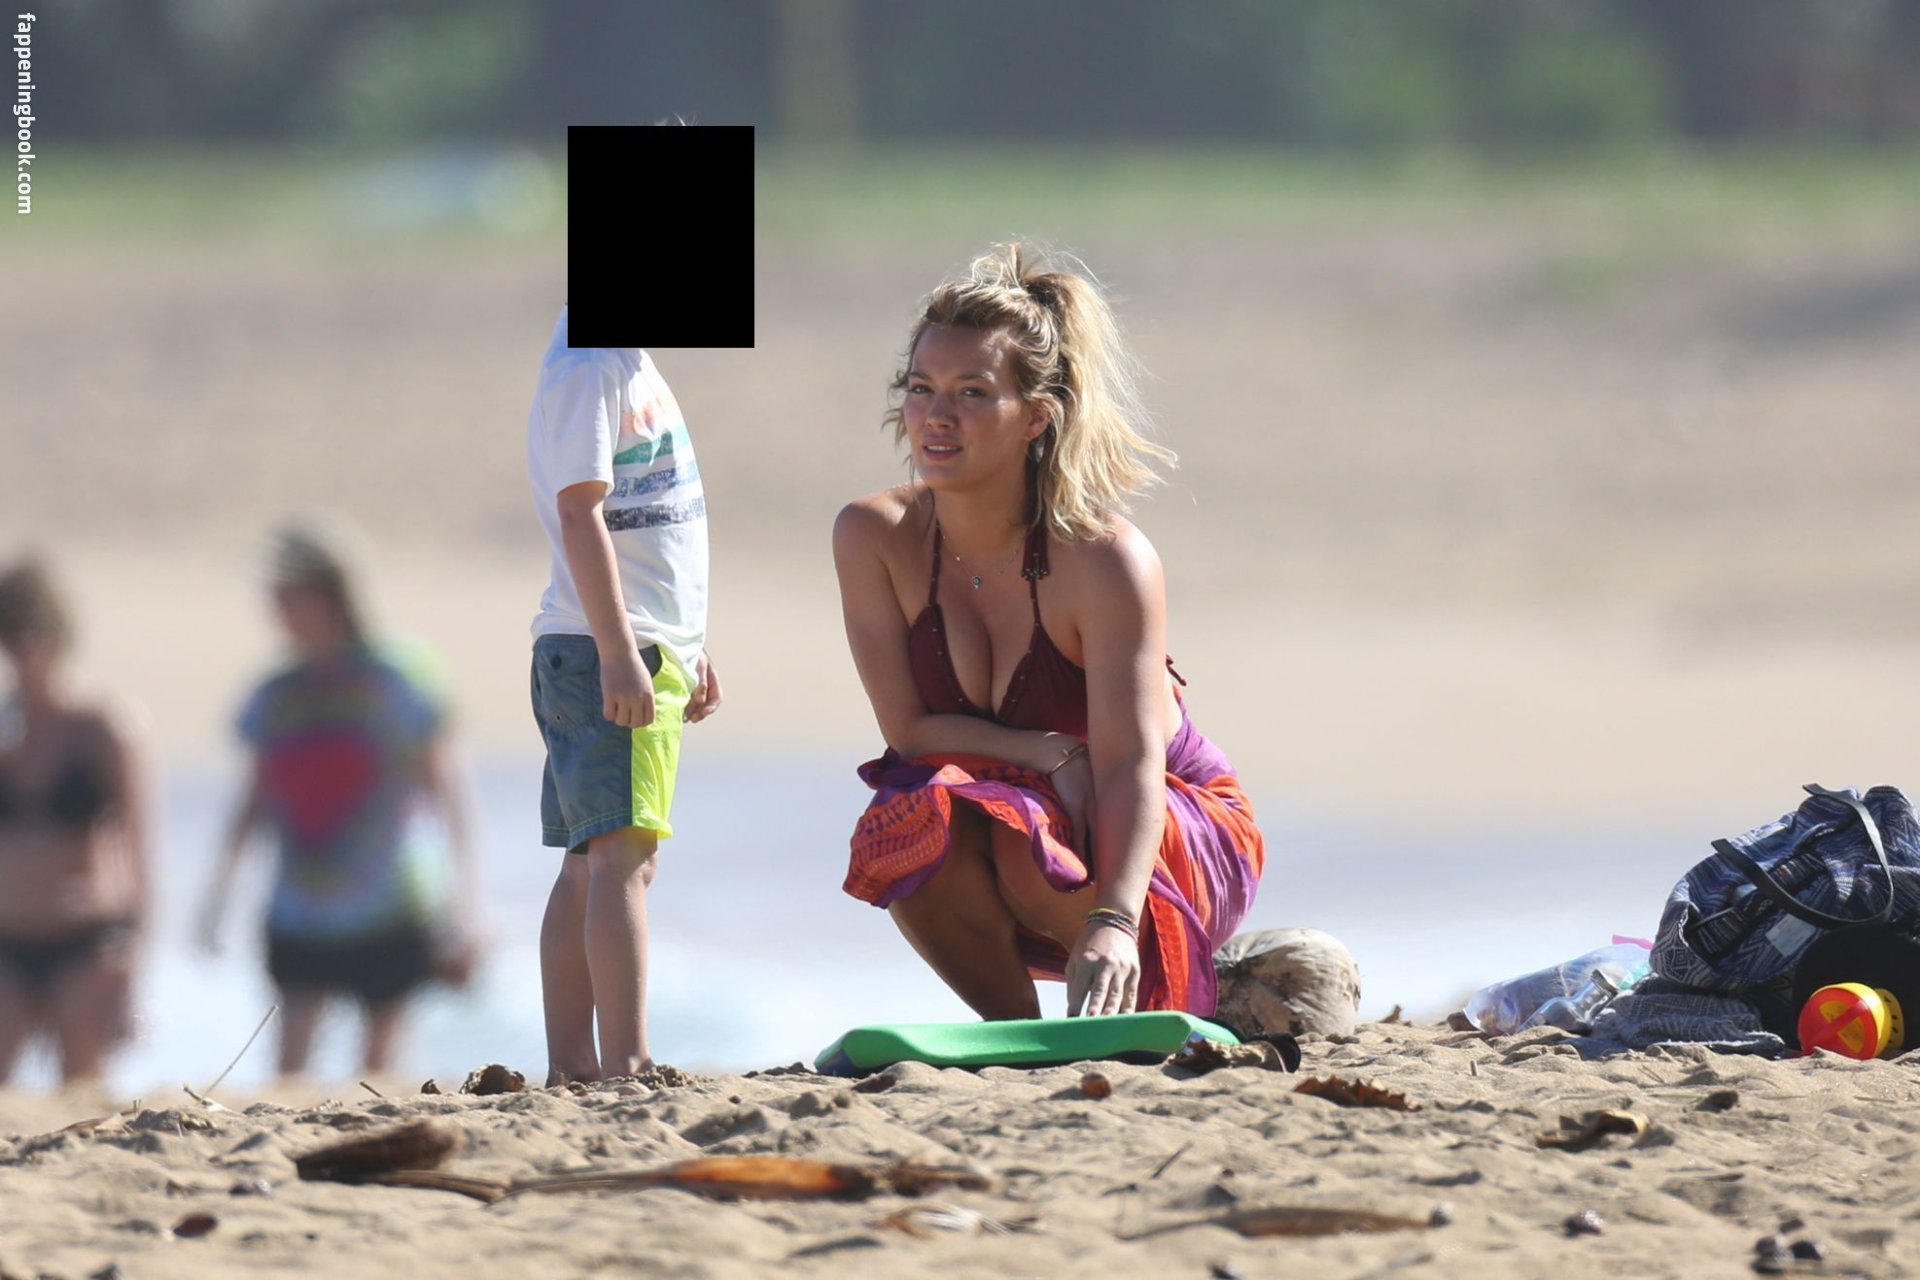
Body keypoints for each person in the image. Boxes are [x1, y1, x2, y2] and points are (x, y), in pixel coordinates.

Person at [836, 244, 1267, 1020]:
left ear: (1036, 416)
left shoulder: (1104, 559)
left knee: (1018, 829)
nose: (937, 416)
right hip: (1042, 806)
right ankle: (1016, 1039)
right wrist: (1047, 751)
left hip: (1167, 824)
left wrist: (1115, 920)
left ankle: (1129, 988)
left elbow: (1129, 764)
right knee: (914, 817)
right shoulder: (875, 537)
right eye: (922, 388)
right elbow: (910, 731)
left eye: (973, 393)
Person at [199, 525, 479, 1077]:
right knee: (289, 1071)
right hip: (299, 908)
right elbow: (253, 802)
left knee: (378, 1073)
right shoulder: (276, 693)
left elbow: (449, 793)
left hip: (390, 901)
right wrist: (218, 895)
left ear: (330, 592)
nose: (277, 608)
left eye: (289, 593)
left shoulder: (398, 676)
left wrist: (468, 904)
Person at [525, 305, 722, 1084]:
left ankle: (575, 1065)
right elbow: (580, 512)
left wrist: (689, 645)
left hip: (636, 641)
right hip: (602, 645)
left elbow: (657, 521)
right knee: (620, 859)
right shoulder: (588, 365)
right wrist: (617, 651)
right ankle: (624, 1059)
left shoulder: (626, 359)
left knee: (594, 859)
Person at [0, 559, 151, 1086]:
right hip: (9, 938)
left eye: (33, 632)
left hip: (84, 943)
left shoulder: (103, 729)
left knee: (80, 1093)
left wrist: (134, 962)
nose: (24, 650)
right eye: (11, 635)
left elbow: (141, 851)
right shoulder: (5, 730)